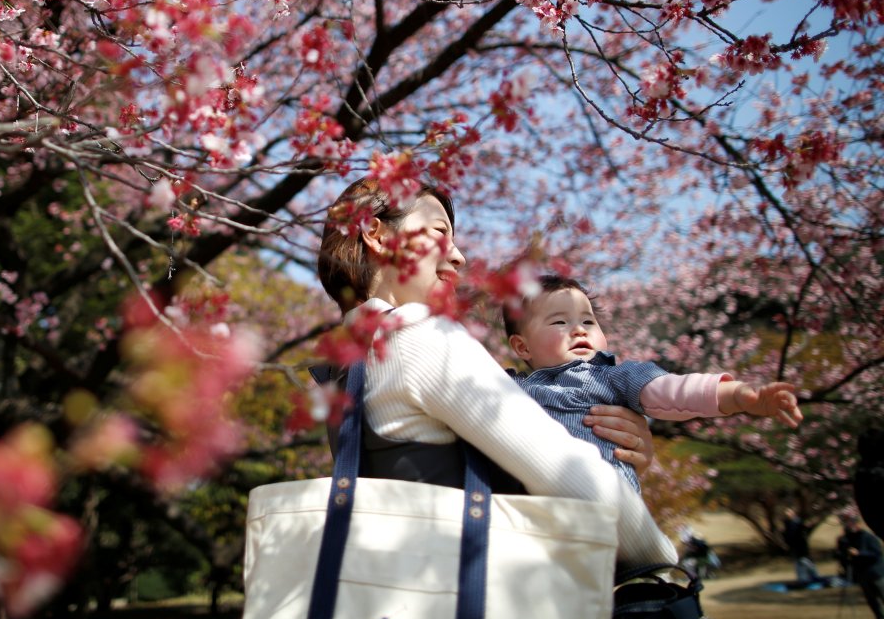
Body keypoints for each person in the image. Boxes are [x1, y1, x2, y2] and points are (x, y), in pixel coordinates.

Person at [315, 177, 677, 568]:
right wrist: (663, 560)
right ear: (377, 234)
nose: (459, 258)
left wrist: (613, 453)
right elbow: (567, 474)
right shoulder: (415, 330)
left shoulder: (342, 367)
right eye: (440, 233)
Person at [501, 274, 803, 490]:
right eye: (559, 322)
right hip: (538, 499)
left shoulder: (613, 376)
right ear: (522, 347)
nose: (579, 330)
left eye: (589, 321)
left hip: (606, 493)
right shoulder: (510, 388)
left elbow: (673, 391)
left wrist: (739, 395)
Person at [836, 513, 884, 619]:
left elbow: (877, 553)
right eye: (848, 524)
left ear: (858, 524)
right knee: (871, 600)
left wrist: (860, 553)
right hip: (861, 574)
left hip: (876, 573)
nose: (850, 526)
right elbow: (842, 555)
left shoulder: (868, 537)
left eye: (853, 523)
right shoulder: (846, 539)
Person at [783, 507, 820, 583]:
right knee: (798, 563)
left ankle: (814, 576)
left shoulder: (798, 522)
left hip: (801, 547)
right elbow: (787, 535)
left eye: (789, 512)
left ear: (793, 513)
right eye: (786, 513)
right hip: (794, 547)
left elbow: (804, 530)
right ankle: (802, 579)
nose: (787, 514)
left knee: (805, 561)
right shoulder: (788, 523)